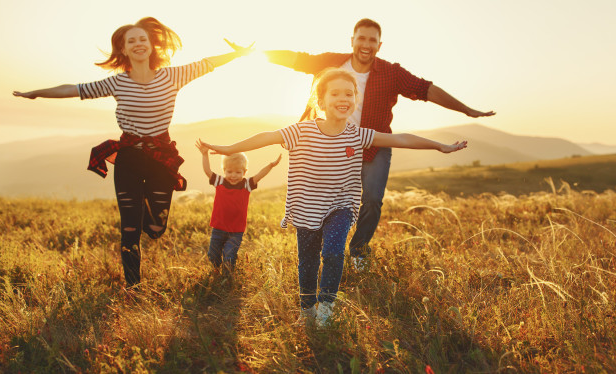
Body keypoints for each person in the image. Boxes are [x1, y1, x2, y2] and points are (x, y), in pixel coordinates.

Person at [196, 67, 467, 327]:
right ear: (321, 100)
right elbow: (266, 137)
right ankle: (307, 309)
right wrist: (226, 148)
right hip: (306, 209)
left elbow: (402, 139)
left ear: (354, 100)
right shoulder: (301, 131)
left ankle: (326, 308)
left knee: (334, 252)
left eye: (349, 93)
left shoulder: (358, 135)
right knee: (309, 260)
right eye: (335, 93)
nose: (343, 98)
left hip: (341, 206)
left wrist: (439, 145)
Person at [13, 17, 252, 288]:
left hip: (160, 159)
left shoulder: (172, 76)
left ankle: (143, 216)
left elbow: (207, 63)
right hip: (129, 157)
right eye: (131, 41)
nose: (138, 44)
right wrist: (36, 93)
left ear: (151, 46)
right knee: (128, 228)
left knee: (156, 227)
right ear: (124, 50)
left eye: (142, 39)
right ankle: (133, 285)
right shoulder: (116, 83)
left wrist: (239, 53)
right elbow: (73, 89)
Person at [248, 18, 493, 270]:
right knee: (324, 198)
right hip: (330, 143)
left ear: (379, 44)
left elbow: (425, 89)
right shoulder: (332, 62)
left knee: (373, 199)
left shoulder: (390, 72)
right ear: (352, 40)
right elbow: (297, 59)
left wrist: (466, 110)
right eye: (361, 38)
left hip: (373, 144)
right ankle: (323, 248)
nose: (366, 45)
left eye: (372, 40)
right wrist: (252, 52)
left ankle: (359, 251)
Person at [199, 147, 281, 274]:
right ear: (224, 170)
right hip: (218, 228)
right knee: (212, 254)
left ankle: (227, 278)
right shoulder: (220, 181)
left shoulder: (246, 184)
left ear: (244, 172)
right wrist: (205, 155)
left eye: (238, 172)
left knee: (229, 255)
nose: (233, 175)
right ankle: (216, 272)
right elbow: (207, 171)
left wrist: (271, 165)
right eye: (229, 171)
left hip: (236, 231)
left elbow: (260, 175)